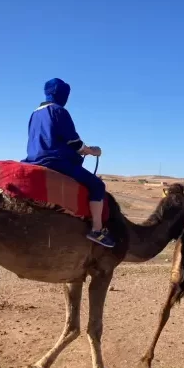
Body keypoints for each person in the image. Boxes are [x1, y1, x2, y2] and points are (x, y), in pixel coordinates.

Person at [22, 78, 115, 248]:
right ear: (62, 95)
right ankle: (97, 230)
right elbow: (74, 143)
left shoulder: (34, 113)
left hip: (34, 159)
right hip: (55, 161)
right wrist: (91, 151)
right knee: (97, 186)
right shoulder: (58, 111)